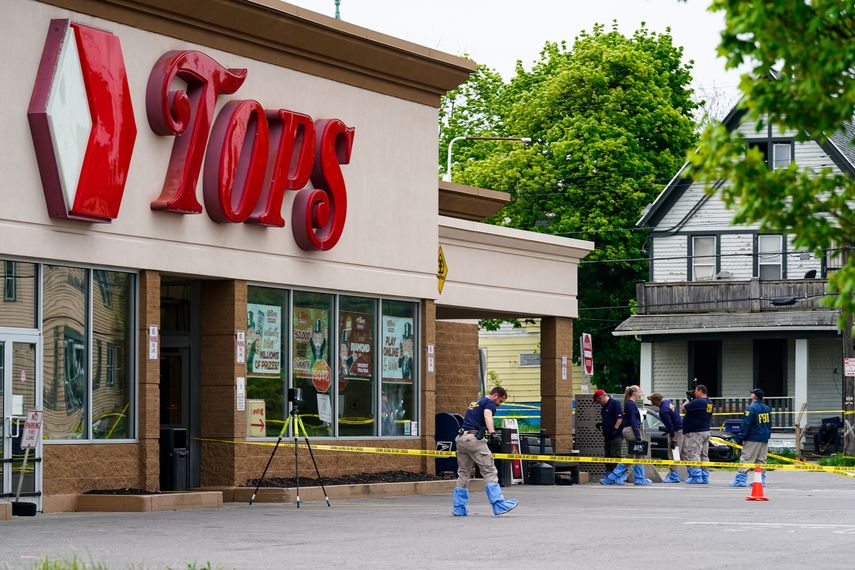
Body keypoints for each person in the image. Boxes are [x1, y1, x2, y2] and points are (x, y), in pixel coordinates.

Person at [452, 386, 518, 516]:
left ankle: (459, 508)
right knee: (489, 470)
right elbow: (488, 416)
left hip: (461, 438)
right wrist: (493, 433)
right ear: (496, 395)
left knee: (463, 473)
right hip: (474, 439)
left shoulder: (476, 402)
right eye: (501, 401)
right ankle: (498, 504)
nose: (499, 405)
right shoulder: (490, 403)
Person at [601, 385, 651, 485]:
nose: (639, 393)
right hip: (631, 430)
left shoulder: (628, 403)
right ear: (634, 393)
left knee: (632, 454)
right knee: (638, 454)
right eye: (639, 391)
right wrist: (637, 435)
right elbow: (633, 420)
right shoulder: (631, 404)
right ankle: (638, 478)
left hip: (627, 430)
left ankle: (614, 476)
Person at [730, 388, 772, 487]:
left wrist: (741, 437)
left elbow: (746, 424)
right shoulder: (766, 408)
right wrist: (768, 435)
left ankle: (740, 479)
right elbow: (769, 424)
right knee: (761, 459)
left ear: (754, 396)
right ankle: (760, 480)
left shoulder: (751, 408)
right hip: (764, 437)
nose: (751, 395)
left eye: (752, 393)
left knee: (747, 458)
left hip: (753, 437)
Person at [681, 384, 713, 484]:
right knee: (704, 454)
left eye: (695, 391)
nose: (694, 392)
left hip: (695, 432)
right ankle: (704, 475)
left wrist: (688, 399)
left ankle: (696, 476)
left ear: (700, 391)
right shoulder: (709, 402)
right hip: (705, 430)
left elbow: (684, 408)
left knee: (694, 453)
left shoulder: (698, 401)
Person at [650, 392, 683, 483]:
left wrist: (672, 438)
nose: (651, 402)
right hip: (680, 430)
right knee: (682, 453)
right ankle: (690, 473)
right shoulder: (669, 402)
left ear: (656, 401)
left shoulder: (663, 411)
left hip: (675, 432)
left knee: (673, 453)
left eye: (652, 400)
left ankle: (674, 476)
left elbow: (669, 425)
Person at [594, 389, 622, 472]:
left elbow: (619, 418)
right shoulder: (604, 407)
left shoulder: (615, 403)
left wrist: (615, 429)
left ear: (600, 398)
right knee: (608, 457)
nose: (598, 403)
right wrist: (601, 424)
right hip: (607, 435)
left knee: (615, 456)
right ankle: (609, 475)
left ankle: (618, 476)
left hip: (615, 435)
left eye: (597, 401)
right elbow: (608, 419)